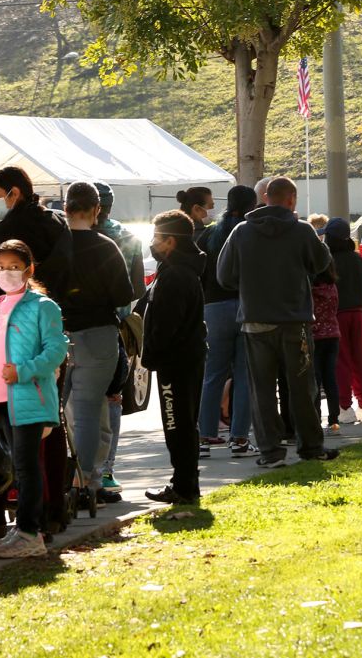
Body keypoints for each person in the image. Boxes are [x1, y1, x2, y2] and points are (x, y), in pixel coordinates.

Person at [217, 177, 339, 467]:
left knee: (261, 390)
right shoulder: (302, 231)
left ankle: (270, 452)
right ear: (291, 199)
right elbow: (321, 263)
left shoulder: (241, 231)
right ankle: (311, 446)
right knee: (302, 387)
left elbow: (224, 276)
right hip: (294, 320)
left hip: (255, 319)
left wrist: (249, 284)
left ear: (266, 197)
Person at [0, 240, 68, 557]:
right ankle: (21, 530)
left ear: (29, 270)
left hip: (28, 398)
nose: (6, 272)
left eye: (14, 267)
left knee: (27, 466)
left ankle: (31, 532)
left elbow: (56, 350)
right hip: (0, 399)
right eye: (0, 266)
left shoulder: (43, 306)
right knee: (15, 467)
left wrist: (23, 371)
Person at [55, 182, 135, 515]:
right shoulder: (105, 247)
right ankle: (87, 481)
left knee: (62, 412)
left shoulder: (54, 247)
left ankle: (69, 478)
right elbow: (122, 296)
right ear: (97, 210)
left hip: (57, 332)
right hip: (98, 335)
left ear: (66, 207)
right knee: (88, 412)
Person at [141, 210, 208, 504]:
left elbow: (167, 324)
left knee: (177, 425)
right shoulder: (178, 270)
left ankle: (183, 486)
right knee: (183, 424)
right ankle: (184, 483)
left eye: (157, 238)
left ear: (170, 241)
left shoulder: (177, 275)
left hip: (176, 362)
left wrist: (153, 354)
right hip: (184, 358)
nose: (153, 244)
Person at [198, 185, 258, 458]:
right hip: (247, 306)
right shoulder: (253, 234)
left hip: (213, 308)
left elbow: (199, 274)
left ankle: (205, 435)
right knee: (245, 376)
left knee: (212, 374)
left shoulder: (210, 234)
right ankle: (239, 437)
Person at [96, 181, 147, 497]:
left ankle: (83, 470)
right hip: (116, 325)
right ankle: (107, 470)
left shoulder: (70, 236)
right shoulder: (127, 237)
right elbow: (138, 288)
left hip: (75, 327)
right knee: (113, 396)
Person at [0, 166, 72, 293]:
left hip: (15, 305)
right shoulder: (56, 222)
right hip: (55, 303)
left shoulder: (9, 231)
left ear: (14, 193)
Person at [324, 218, 362, 424]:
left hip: (335, 315)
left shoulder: (327, 260)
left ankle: (344, 407)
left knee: (341, 361)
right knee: (361, 359)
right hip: (357, 313)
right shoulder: (358, 259)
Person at [310, 256, 342, 435]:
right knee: (331, 378)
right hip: (333, 334)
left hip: (315, 336)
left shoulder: (311, 290)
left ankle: (316, 416)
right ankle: (334, 419)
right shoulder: (333, 287)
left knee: (315, 379)